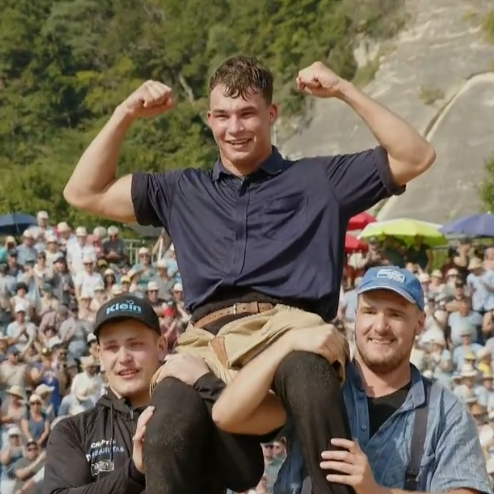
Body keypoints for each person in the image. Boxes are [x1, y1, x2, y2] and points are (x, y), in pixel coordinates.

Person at [63, 54, 436, 494]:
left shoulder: (318, 179)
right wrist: (125, 112)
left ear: (271, 114)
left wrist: (342, 89)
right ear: (208, 119)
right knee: (166, 428)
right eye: (222, 116)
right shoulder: (182, 189)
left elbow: (416, 155)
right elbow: (82, 191)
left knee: (311, 380)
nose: (234, 128)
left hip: (290, 326)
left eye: (247, 114)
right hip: (207, 341)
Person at [211, 266, 491, 494]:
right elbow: (228, 416)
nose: (380, 327)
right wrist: (285, 345)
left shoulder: (445, 412)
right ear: (355, 316)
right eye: (370, 311)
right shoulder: (319, 383)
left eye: (395, 314)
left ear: (419, 323)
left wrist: (375, 491)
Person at [43, 294, 264, 494]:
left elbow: (245, 475)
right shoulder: (74, 431)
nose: (124, 357)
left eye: (135, 344)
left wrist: (207, 384)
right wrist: (135, 471)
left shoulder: (198, 408)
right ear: (99, 354)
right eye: (112, 347)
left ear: (160, 347)